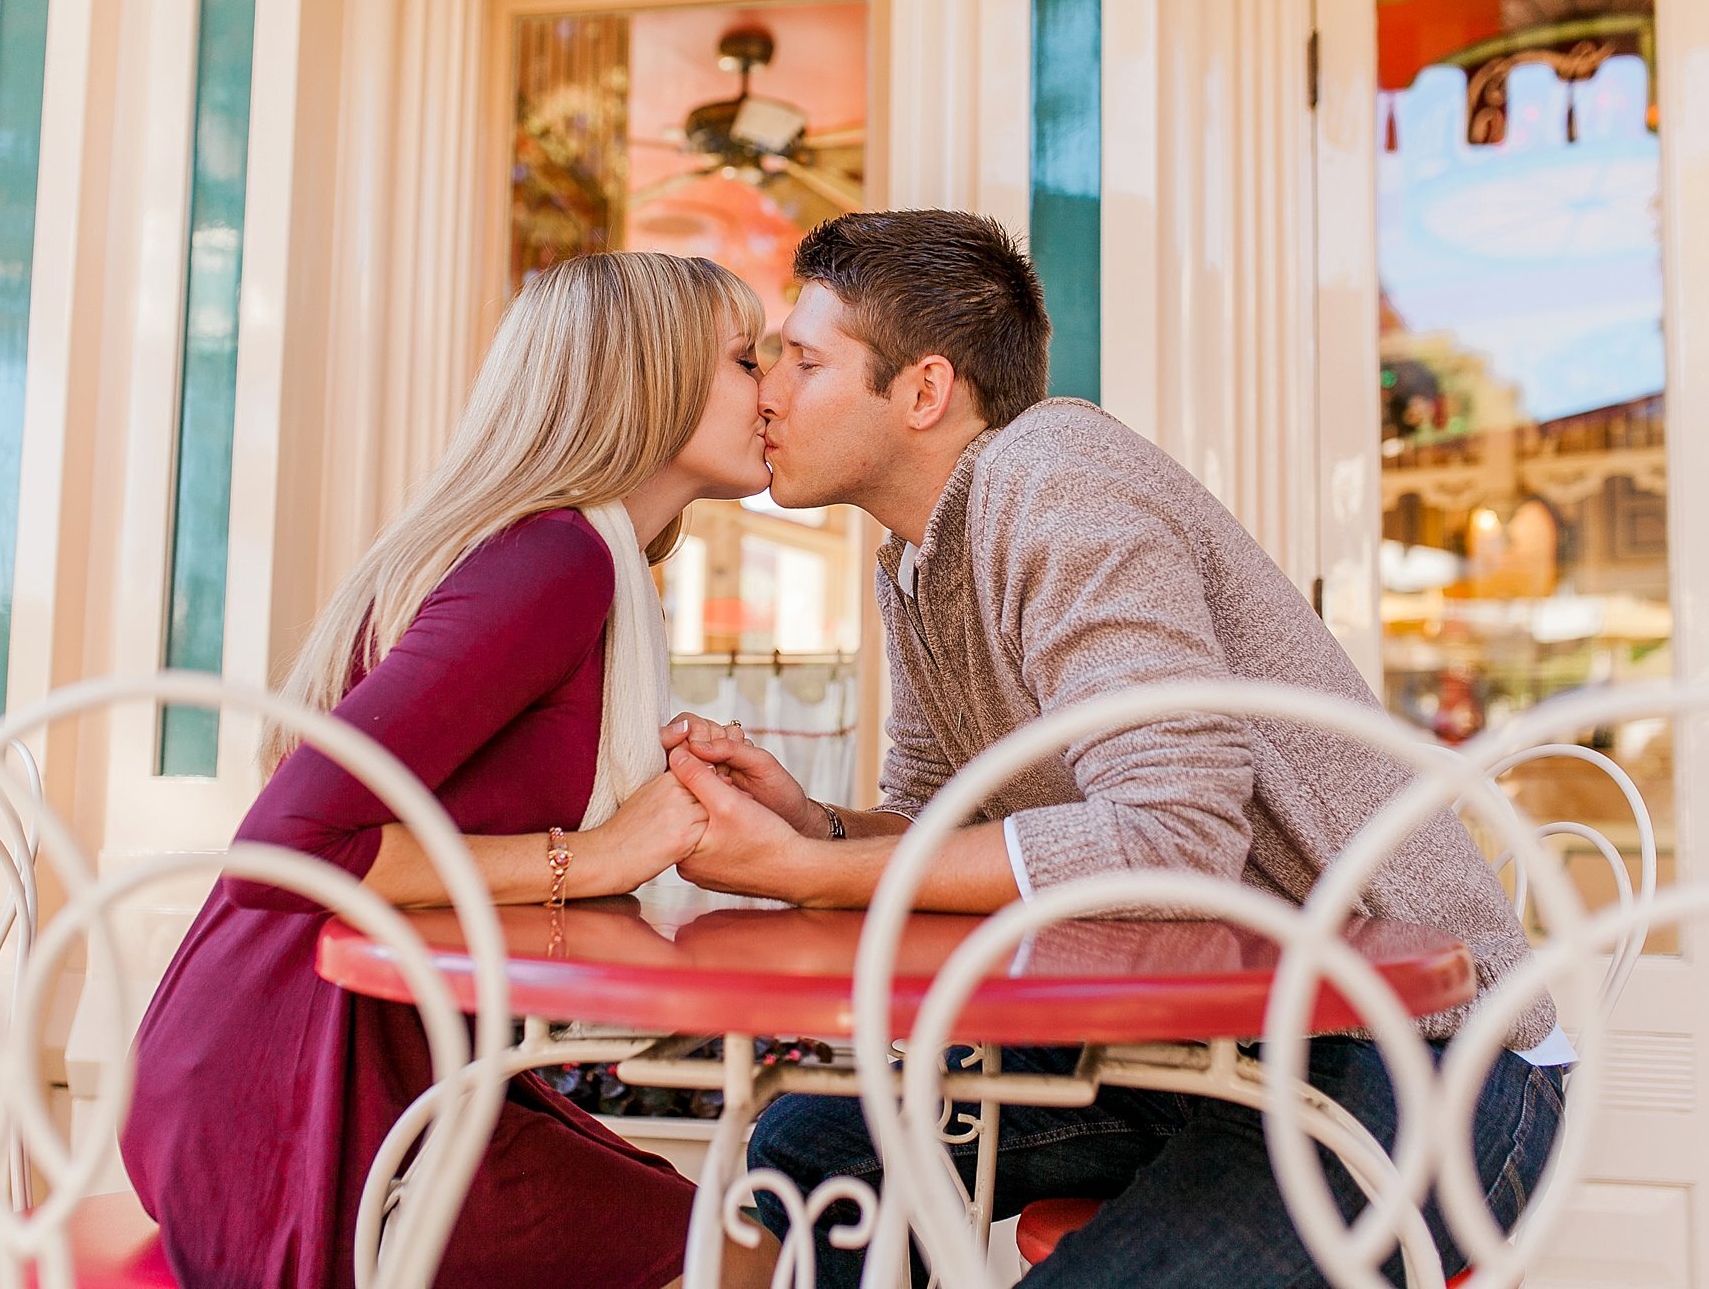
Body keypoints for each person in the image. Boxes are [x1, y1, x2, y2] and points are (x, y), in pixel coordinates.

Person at [660, 211, 1567, 1287]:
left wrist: (811, 871)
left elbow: (1173, 837)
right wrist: (811, 824)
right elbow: (937, 819)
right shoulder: (913, 554)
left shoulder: (1055, 474)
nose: (765, 388)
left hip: (1428, 1051)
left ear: (921, 390)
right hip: (1204, 1045)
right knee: (816, 1146)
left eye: (803, 360)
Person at [121, 253, 780, 1289]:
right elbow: (281, 854)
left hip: (347, 1061)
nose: (774, 388)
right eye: (749, 359)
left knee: (712, 1230)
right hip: (300, 1093)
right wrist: (598, 850)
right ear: (645, 380)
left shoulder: (570, 558)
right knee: (746, 1260)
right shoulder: (555, 560)